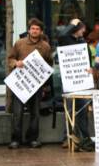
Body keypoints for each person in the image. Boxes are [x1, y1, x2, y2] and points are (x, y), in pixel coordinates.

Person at [8, 18, 52, 149]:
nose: (35, 31)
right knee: (18, 113)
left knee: (35, 113)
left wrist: (43, 77)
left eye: (37, 29)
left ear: (41, 31)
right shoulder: (19, 43)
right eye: (32, 28)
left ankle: (32, 139)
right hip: (20, 84)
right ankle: (16, 139)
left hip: (36, 85)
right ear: (29, 30)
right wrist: (16, 63)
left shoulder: (45, 46)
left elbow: (49, 64)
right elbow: (10, 58)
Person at [58, 18, 93, 151]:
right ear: (76, 29)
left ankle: (83, 137)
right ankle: (67, 137)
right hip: (70, 81)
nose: (84, 31)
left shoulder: (83, 42)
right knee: (70, 109)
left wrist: (90, 69)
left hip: (82, 80)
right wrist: (71, 24)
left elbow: (87, 58)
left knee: (82, 111)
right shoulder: (66, 40)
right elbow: (62, 35)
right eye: (82, 28)